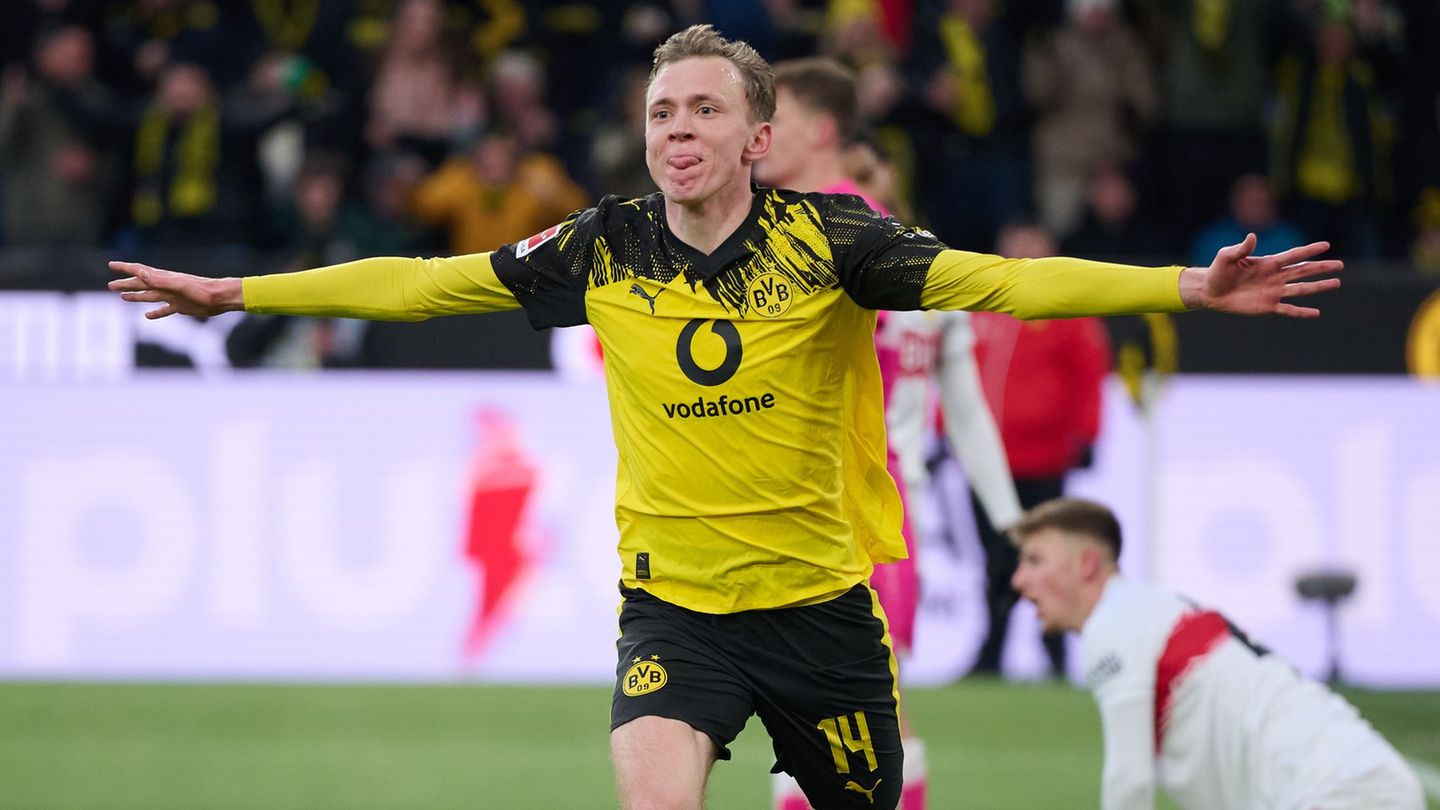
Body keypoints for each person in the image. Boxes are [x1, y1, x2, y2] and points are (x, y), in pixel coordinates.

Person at [109, 24, 1343, 810]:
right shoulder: (603, 244)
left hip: (822, 613)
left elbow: (1008, 283)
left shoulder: (835, 239)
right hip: (676, 612)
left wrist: (1185, 287)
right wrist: (238, 292)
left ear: (758, 136)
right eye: (661, 113)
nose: (677, 131)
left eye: (702, 111)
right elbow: (425, 286)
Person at [758, 55, 1022, 810]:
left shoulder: (862, 255)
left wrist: (1011, 521)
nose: (757, 135)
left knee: (842, 712)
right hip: (828, 505)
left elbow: (964, 410)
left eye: (775, 118)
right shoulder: (860, 250)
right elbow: (964, 411)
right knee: (834, 712)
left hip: (859, 506)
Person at [1009, 497, 1424, 810]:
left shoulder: (1112, 622)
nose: (1018, 580)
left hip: (1337, 791)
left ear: (1086, 565)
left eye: (1034, 560)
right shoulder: (1148, 609)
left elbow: (1130, 782)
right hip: (1363, 781)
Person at [967, 221, 1111, 680]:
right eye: (1016, 239)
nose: (1022, 248)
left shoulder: (1067, 307)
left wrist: (1087, 434)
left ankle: (1054, 652)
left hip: (1044, 459)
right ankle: (992, 653)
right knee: (995, 560)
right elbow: (960, 377)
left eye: (1031, 240)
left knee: (1046, 558)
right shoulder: (981, 306)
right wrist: (943, 430)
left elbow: (1089, 375)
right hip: (987, 461)